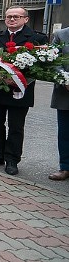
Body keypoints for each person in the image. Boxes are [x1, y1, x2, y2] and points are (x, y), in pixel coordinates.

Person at [0, 6, 48, 175]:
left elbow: (41, 65)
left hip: (20, 90)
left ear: (26, 19)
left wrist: (16, 77)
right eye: (9, 16)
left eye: (16, 16)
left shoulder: (37, 38)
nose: (12, 19)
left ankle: (12, 160)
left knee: (16, 127)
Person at [50, 26, 69, 181]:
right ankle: (65, 167)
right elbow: (53, 61)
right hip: (65, 93)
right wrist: (65, 79)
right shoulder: (61, 35)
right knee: (65, 133)